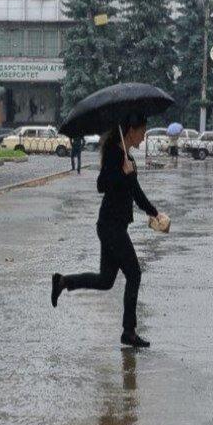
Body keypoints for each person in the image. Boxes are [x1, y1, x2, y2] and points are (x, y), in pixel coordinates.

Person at [51, 115, 167, 348]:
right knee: (134, 274)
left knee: (106, 280)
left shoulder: (127, 156)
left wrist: (153, 212)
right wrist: (122, 174)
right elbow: (102, 184)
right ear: (131, 130)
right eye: (142, 131)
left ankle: (63, 281)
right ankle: (129, 331)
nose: (144, 136)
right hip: (110, 226)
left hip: (114, 226)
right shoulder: (115, 154)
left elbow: (135, 192)